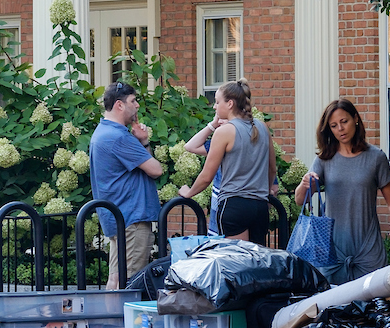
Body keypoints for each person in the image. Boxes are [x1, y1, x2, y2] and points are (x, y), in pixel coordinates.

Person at [294, 99, 390, 284]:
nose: (340, 129)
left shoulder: (376, 157)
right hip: (332, 250)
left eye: (344, 122)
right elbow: (300, 200)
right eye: (334, 125)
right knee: (334, 308)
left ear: (355, 119)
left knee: (372, 306)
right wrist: (305, 184)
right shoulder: (324, 159)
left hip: (368, 249)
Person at [180, 80, 277, 244]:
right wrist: (265, 192)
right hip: (260, 206)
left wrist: (188, 193)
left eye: (217, 102)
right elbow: (272, 168)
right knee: (255, 264)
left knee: (234, 264)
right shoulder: (262, 128)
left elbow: (206, 176)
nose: (214, 107)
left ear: (230, 103)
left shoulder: (225, 131)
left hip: (234, 204)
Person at [90, 83, 163, 289]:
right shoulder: (119, 137)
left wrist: (143, 141)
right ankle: (123, 322)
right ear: (120, 105)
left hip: (120, 218)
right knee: (129, 284)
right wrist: (144, 142)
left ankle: (108, 321)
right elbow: (156, 170)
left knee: (115, 280)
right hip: (133, 219)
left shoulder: (102, 131)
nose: (137, 106)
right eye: (133, 101)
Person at [184, 118, 226, 234]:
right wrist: (213, 124)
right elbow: (190, 146)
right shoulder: (257, 135)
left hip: (228, 213)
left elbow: (206, 177)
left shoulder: (224, 140)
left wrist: (189, 193)